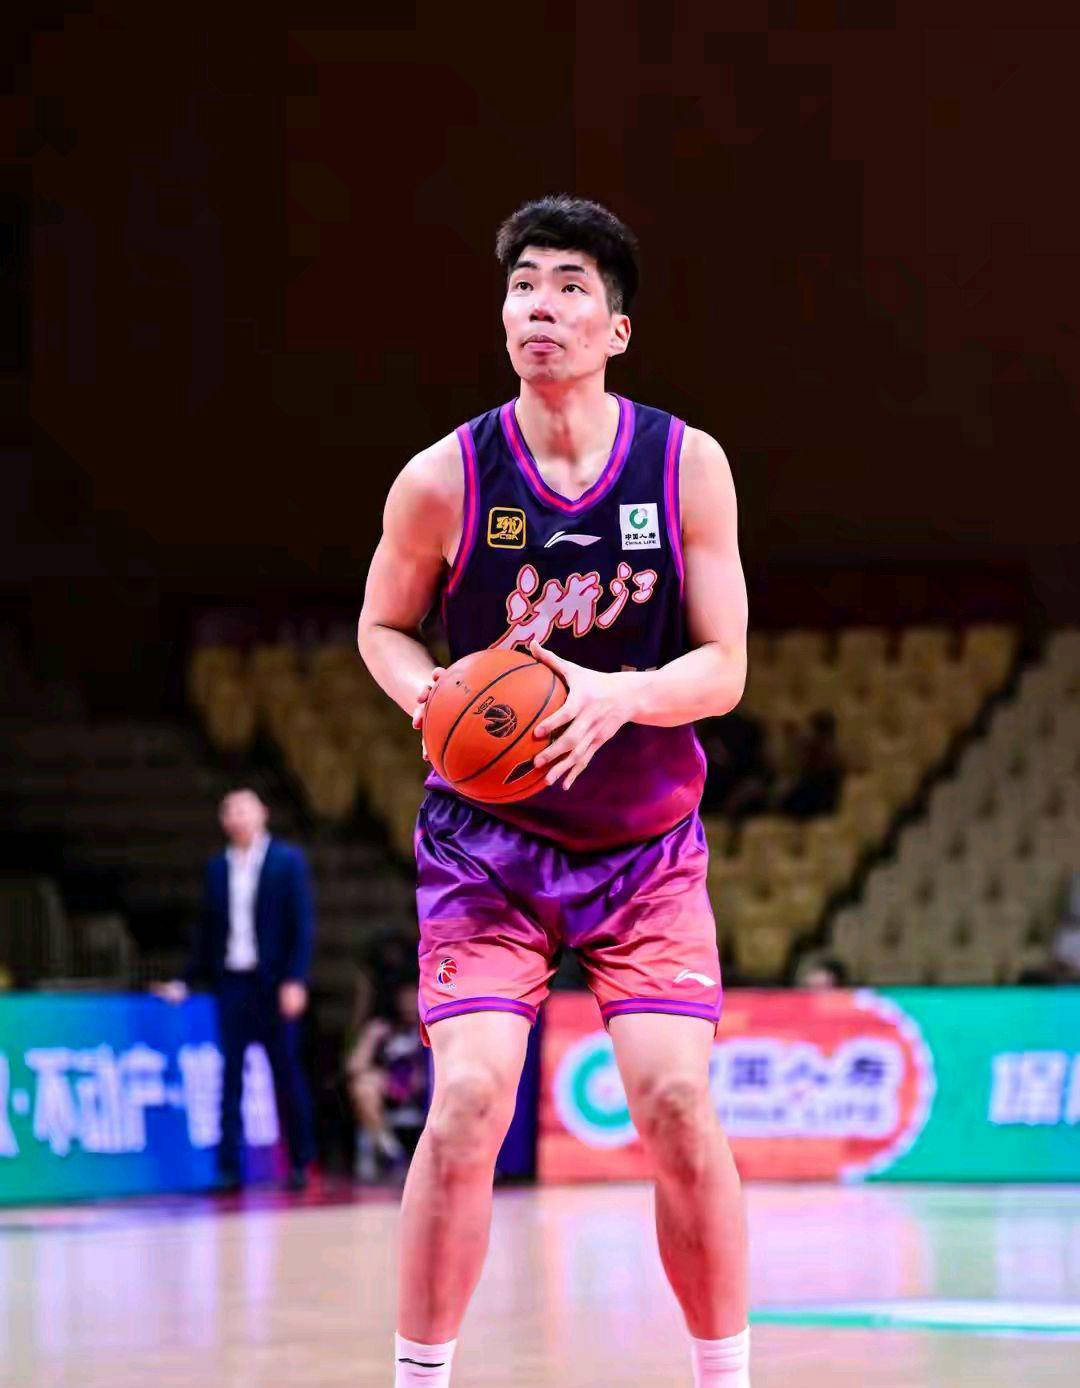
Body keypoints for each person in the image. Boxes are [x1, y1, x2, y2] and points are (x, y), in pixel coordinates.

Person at [357, 196, 750, 1388]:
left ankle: (724, 1375)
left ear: (616, 327)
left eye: (571, 284)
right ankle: (420, 1378)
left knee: (676, 1104)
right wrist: (430, 697)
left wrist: (621, 696)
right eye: (524, 283)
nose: (542, 304)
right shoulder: (443, 477)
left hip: (644, 845)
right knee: (468, 1102)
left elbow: (725, 668)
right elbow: (382, 627)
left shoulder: (684, 466)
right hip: (488, 845)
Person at [155, 788, 316, 1192]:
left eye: (244, 810)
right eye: (228, 812)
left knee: (286, 1073)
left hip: (273, 984)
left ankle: (301, 1161)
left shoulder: (287, 861)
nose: (236, 818)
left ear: (263, 813)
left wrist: (295, 979)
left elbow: (302, 925)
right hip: (232, 982)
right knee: (230, 1079)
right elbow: (207, 932)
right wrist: (186, 980)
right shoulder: (217, 867)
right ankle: (228, 1168)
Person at [346, 974, 428, 1182]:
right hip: (390, 1089)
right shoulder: (383, 1028)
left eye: (413, 996)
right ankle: (392, 1153)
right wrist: (371, 1039)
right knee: (363, 1086)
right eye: (404, 997)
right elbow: (353, 1067)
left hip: (427, 1090)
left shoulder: (433, 1025)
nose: (409, 1003)